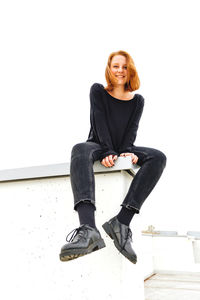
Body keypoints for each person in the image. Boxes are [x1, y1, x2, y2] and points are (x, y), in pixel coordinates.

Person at [59, 50, 167, 264]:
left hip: (123, 147)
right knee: (79, 149)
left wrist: (127, 151)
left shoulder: (138, 100)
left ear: (131, 70)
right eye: (116, 66)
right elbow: (99, 121)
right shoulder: (98, 90)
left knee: (158, 157)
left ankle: (122, 223)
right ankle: (88, 228)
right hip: (99, 144)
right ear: (110, 69)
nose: (120, 70)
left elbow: (132, 129)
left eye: (124, 67)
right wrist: (108, 151)